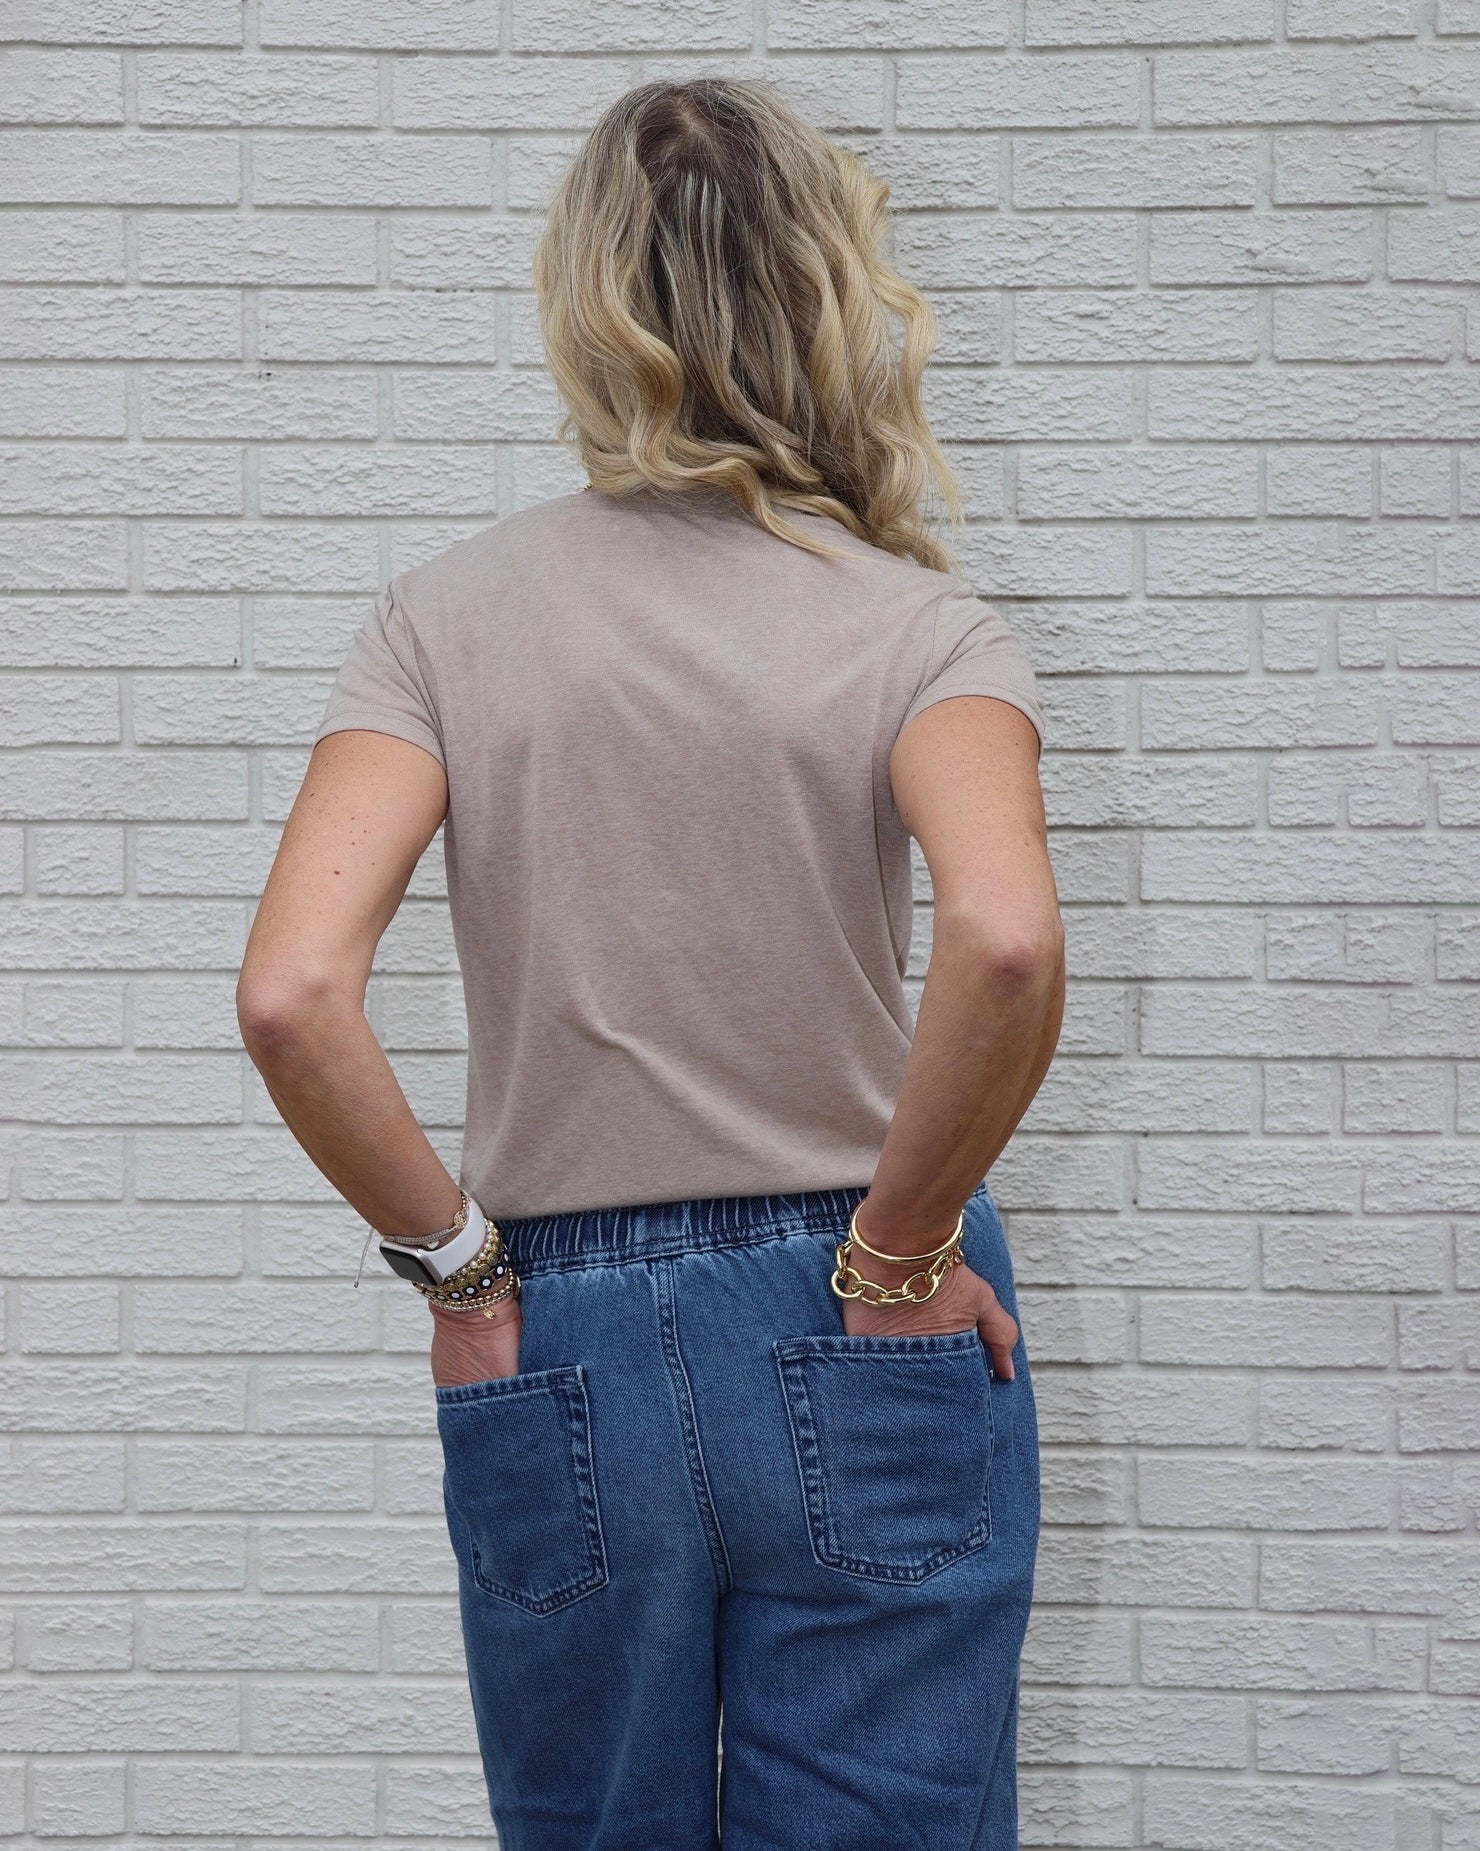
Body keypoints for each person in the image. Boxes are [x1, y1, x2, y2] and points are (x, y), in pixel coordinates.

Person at [237, 74, 1064, 1851]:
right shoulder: (921, 626)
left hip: (560, 1332)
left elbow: (294, 992)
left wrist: (465, 1282)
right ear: (833, 292)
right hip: (858, 1300)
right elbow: (1001, 940)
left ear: (586, 306)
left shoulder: (440, 620)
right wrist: (904, 1248)